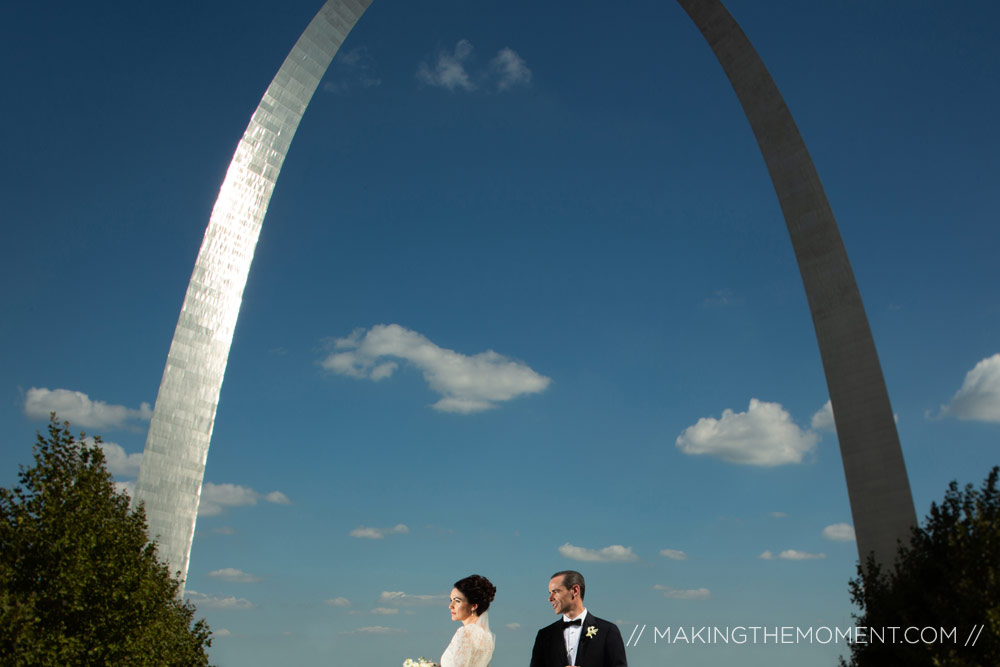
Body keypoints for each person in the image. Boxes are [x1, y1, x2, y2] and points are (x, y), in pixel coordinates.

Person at [529, 570, 627, 667]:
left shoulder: (607, 631)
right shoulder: (544, 635)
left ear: (575, 590)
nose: (550, 598)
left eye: (555, 592)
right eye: (550, 593)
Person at [440, 574, 496, 667]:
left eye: (457, 601)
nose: (451, 606)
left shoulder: (465, 633)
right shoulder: (487, 637)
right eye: (451, 600)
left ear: (474, 606)